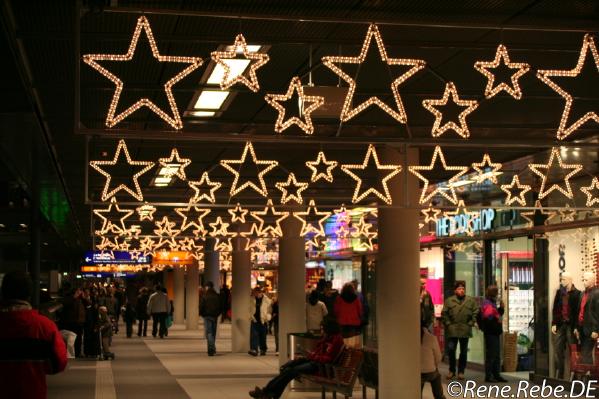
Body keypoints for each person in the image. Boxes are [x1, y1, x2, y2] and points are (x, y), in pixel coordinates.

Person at [0, 270, 68, 398]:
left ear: (3, 293)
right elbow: (59, 363)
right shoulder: (44, 326)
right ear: (29, 295)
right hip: (32, 392)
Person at [249, 318, 344, 399]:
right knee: (287, 368)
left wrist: (311, 355)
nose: (322, 331)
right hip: (315, 362)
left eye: (323, 329)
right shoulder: (328, 338)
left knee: (291, 371)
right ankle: (268, 393)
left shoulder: (335, 340)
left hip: (321, 367)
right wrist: (308, 354)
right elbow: (319, 353)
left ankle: (266, 393)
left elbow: (327, 359)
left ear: (329, 329)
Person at [441, 280, 479, 380]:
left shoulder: (470, 301)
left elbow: (476, 311)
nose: (461, 290)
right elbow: (444, 314)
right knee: (451, 351)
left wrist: (471, 322)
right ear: (455, 290)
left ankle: (461, 372)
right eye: (459, 289)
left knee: (463, 352)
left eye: (463, 288)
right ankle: (451, 371)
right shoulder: (449, 301)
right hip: (452, 330)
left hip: (465, 329)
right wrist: (448, 324)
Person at [550, 272, 581, 379]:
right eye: (561, 279)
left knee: (573, 351)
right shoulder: (560, 292)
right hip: (561, 324)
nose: (561, 281)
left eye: (563, 279)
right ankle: (560, 374)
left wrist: (577, 327)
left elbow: (578, 312)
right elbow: (555, 309)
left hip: (571, 326)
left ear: (569, 280)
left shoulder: (577, 294)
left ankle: (574, 376)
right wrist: (554, 323)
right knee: (558, 349)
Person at [480, 285, 507, 383]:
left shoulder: (491, 303)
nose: (497, 294)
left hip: (494, 332)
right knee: (492, 354)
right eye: (496, 292)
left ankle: (496, 374)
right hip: (491, 332)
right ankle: (490, 375)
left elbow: (495, 316)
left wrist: (501, 309)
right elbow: (489, 318)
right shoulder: (488, 303)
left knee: (496, 355)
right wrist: (498, 316)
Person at [574, 271, 599, 364]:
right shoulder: (582, 293)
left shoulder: (597, 293)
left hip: (591, 329)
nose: (583, 281)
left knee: (586, 354)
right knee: (583, 355)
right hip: (582, 328)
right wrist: (576, 327)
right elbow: (579, 311)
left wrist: (596, 330)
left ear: (592, 281)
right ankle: (586, 376)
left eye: (586, 280)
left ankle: (588, 376)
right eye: (583, 279)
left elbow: (597, 312)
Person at [58, 286, 86, 357]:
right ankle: (71, 354)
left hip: (79, 322)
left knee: (78, 338)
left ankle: (78, 352)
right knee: (71, 339)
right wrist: (74, 297)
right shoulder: (69, 297)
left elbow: (88, 304)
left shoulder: (81, 299)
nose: (80, 292)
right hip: (71, 322)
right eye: (79, 290)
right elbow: (65, 304)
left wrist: (83, 298)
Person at [421, 324, 446, 399]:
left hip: (415, 373)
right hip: (430, 371)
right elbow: (438, 358)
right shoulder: (431, 338)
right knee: (436, 375)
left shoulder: (408, 339)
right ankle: (439, 396)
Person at [334, 282, 363, 348]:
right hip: (353, 322)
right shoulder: (356, 299)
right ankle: (350, 353)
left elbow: (336, 310)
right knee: (352, 340)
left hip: (342, 322)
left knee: (343, 340)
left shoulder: (339, 298)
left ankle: (344, 353)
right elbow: (360, 310)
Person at [200, 281, 222, 356]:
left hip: (207, 316)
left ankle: (210, 349)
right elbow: (220, 306)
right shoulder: (217, 295)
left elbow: (201, 306)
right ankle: (213, 348)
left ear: (207, 287)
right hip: (214, 316)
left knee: (209, 333)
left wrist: (202, 314)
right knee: (213, 332)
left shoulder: (205, 296)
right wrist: (217, 314)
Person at [249, 286, 272, 356]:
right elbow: (249, 309)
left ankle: (263, 349)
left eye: (255, 293)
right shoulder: (252, 299)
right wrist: (250, 316)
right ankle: (254, 349)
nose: (254, 295)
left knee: (263, 336)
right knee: (253, 336)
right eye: (254, 294)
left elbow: (269, 310)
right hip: (255, 320)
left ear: (260, 293)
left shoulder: (267, 300)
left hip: (263, 321)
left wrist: (268, 317)